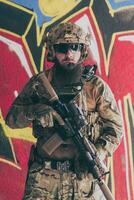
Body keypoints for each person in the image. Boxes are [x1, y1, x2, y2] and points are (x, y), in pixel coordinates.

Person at [5, 22, 122, 200]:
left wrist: (100, 151)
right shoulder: (40, 84)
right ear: (53, 51)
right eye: (62, 48)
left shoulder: (96, 88)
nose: (69, 54)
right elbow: (12, 120)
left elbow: (115, 127)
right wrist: (36, 111)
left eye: (74, 47)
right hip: (44, 179)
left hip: (82, 180)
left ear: (82, 50)